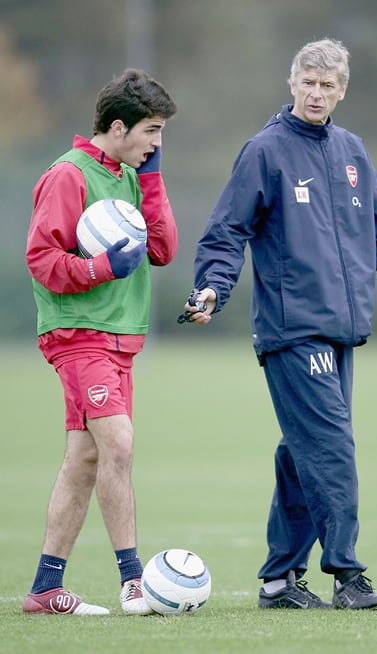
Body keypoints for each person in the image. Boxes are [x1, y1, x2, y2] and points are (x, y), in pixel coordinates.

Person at [180, 38, 377, 610]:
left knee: (304, 452)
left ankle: (278, 582)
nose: (317, 93)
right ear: (292, 83)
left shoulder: (353, 152)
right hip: (294, 332)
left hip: (340, 332)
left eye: (328, 85)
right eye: (308, 82)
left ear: (342, 90)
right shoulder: (264, 151)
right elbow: (226, 231)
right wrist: (212, 286)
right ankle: (347, 575)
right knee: (332, 449)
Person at [24, 68, 178, 615]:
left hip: (118, 340)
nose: (157, 143)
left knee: (86, 458)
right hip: (78, 336)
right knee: (119, 444)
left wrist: (153, 180)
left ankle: (45, 589)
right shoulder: (70, 175)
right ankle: (135, 583)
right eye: (152, 132)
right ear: (119, 126)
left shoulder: (131, 177)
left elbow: (162, 250)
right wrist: (101, 267)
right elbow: (42, 260)